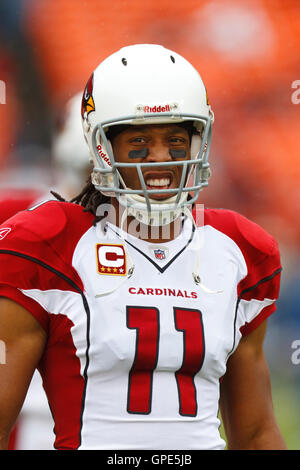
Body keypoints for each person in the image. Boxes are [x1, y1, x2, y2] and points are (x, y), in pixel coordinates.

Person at [0, 44, 286, 450]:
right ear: (102, 146)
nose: (159, 158)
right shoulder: (47, 242)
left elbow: (256, 432)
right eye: (138, 141)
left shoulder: (238, 249)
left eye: (175, 138)